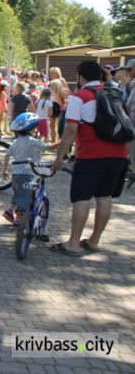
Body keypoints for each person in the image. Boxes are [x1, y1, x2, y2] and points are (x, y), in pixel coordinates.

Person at [50, 60, 129, 256]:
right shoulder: (114, 93)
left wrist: (59, 157)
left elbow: (70, 129)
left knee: (82, 198)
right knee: (105, 197)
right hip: (119, 153)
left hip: (91, 155)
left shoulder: (80, 96)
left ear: (81, 77)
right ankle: (94, 241)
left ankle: (74, 243)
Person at [0, 113, 57, 227]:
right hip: (28, 174)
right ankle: (18, 221)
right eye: (35, 129)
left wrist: (4, 170)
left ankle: (10, 211)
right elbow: (49, 147)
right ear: (31, 130)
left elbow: (7, 155)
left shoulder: (16, 141)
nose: (36, 131)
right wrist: (61, 142)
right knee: (26, 196)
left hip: (16, 174)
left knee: (18, 193)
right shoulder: (32, 141)